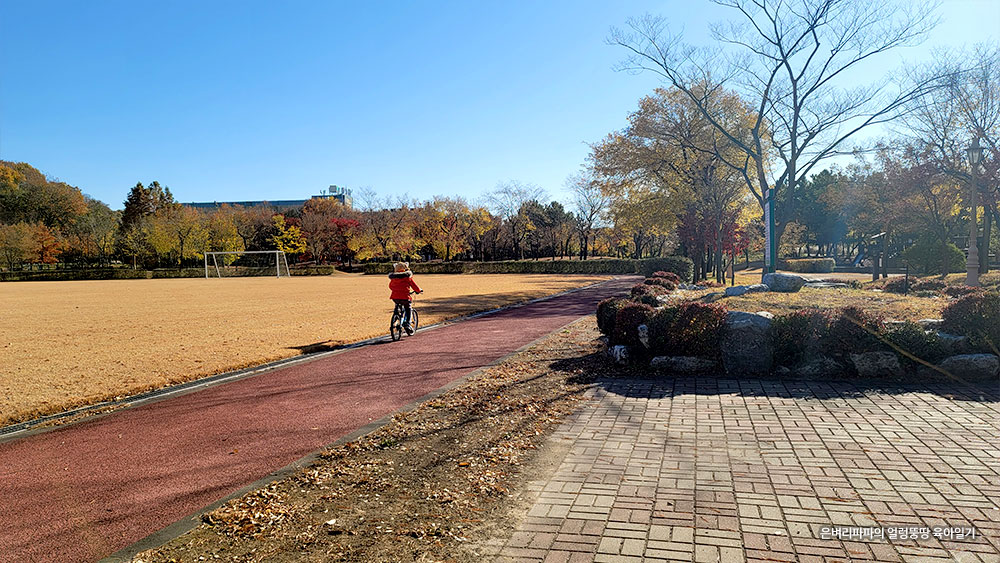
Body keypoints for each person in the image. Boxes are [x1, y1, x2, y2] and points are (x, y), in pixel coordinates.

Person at [388, 262, 422, 334]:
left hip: (395, 296)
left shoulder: (393, 278)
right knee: (408, 308)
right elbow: (414, 286)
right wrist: (419, 290)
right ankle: (407, 324)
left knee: (397, 305)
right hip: (405, 297)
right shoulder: (407, 278)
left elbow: (390, 286)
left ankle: (395, 317)